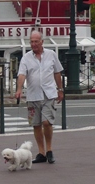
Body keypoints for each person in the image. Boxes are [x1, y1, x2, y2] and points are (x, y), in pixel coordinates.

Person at [14, 30, 64, 164]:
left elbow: (57, 72)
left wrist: (60, 89)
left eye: (36, 41)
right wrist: (19, 89)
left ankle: (49, 150)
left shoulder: (51, 54)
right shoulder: (26, 58)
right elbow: (22, 74)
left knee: (46, 122)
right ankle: (41, 152)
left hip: (49, 94)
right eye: (31, 41)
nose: (34, 44)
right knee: (36, 124)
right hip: (32, 95)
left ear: (42, 42)